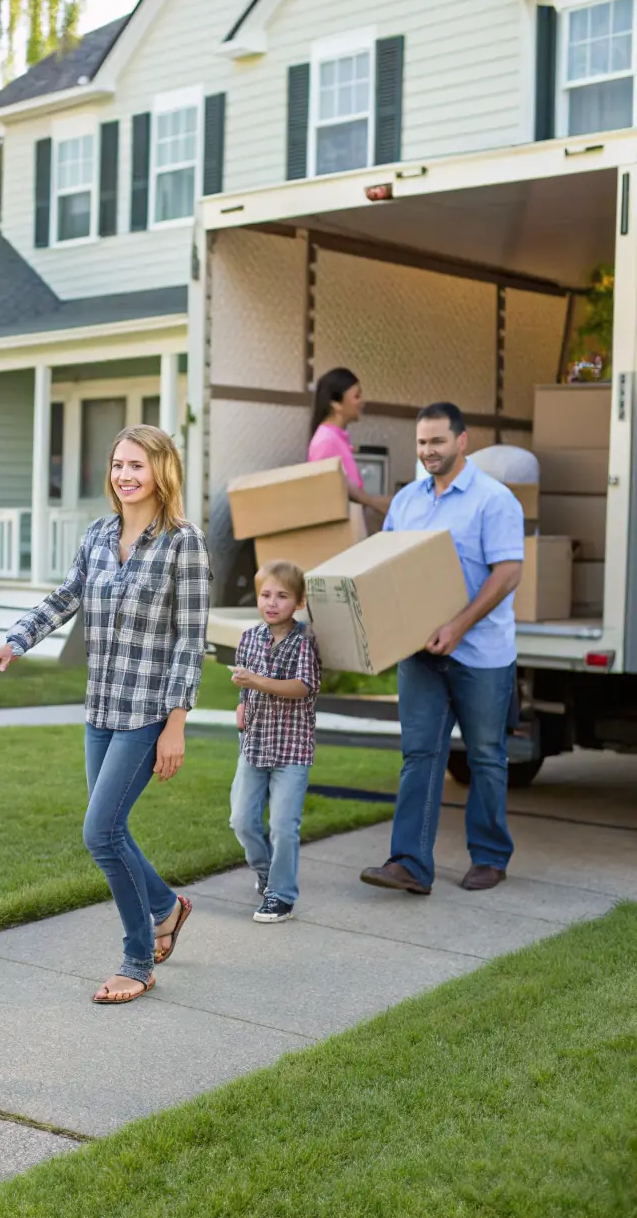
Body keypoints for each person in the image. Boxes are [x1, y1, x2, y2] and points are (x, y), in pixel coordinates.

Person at [0, 425, 211, 1005]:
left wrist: (176, 723)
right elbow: (65, 596)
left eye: (137, 465)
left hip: (148, 710)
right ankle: (166, 906)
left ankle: (138, 959)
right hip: (101, 705)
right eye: (117, 465)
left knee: (100, 832)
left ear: (162, 471)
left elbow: (191, 640)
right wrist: (16, 640)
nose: (124, 475)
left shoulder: (186, 542)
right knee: (109, 831)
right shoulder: (100, 534)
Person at [360, 403, 524, 897]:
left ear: (462, 441)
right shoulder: (407, 501)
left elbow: (508, 571)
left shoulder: (494, 500)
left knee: (487, 757)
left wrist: (457, 626)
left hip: (482, 653)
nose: (428, 451)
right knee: (420, 754)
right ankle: (409, 863)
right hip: (420, 653)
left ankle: (491, 857)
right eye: (422, 443)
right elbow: (384, 567)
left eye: (437, 441)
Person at [229, 560, 322, 923]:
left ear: (298, 603)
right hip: (254, 745)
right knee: (241, 820)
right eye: (265, 595)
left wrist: (257, 682)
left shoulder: (305, 642)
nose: (272, 603)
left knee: (284, 826)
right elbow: (244, 682)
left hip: (291, 751)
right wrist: (241, 704)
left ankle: (281, 896)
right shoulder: (249, 638)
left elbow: (302, 687)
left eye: (282, 596)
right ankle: (267, 872)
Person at [307, 367, 390, 519]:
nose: (362, 402)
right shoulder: (326, 441)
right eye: (357, 396)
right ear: (336, 404)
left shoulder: (335, 437)